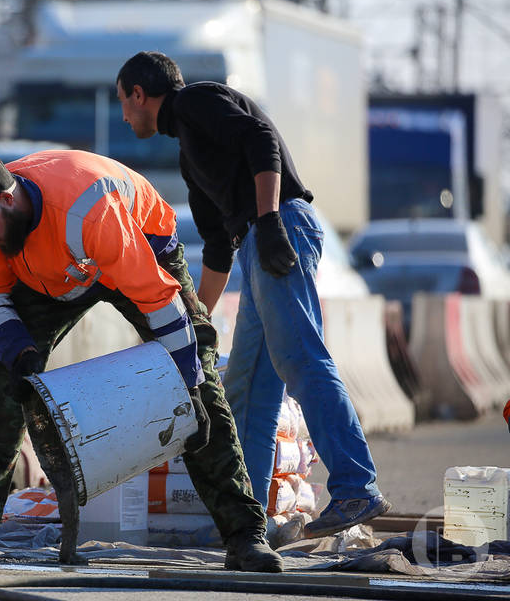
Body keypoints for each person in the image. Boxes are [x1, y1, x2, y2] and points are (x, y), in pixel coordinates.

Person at [0, 146, 283, 572]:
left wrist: (188, 381)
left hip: (138, 248)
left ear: (8, 199)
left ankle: (245, 535)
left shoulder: (87, 209)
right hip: (50, 273)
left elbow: (157, 298)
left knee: (197, 373)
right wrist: (20, 352)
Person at [115, 51, 391, 539]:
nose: (124, 115)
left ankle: (355, 487)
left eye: (124, 102)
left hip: (277, 230)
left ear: (140, 93)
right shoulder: (188, 154)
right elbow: (218, 249)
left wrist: (267, 222)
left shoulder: (195, 101)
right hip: (252, 246)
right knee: (247, 390)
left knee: (300, 359)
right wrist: (195, 315)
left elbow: (260, 138)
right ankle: (249, 523)